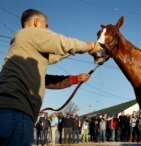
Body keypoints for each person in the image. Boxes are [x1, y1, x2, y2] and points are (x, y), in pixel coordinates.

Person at [0, 8, 102, 146]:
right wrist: (89, 47)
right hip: (17, 114)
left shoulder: (23, 47)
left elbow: (47, 72)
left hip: (8, 113)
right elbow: (61, 43)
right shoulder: (30, 33)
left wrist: (75, 79)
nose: (47, 30)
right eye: (46, 26)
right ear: (36, 23)